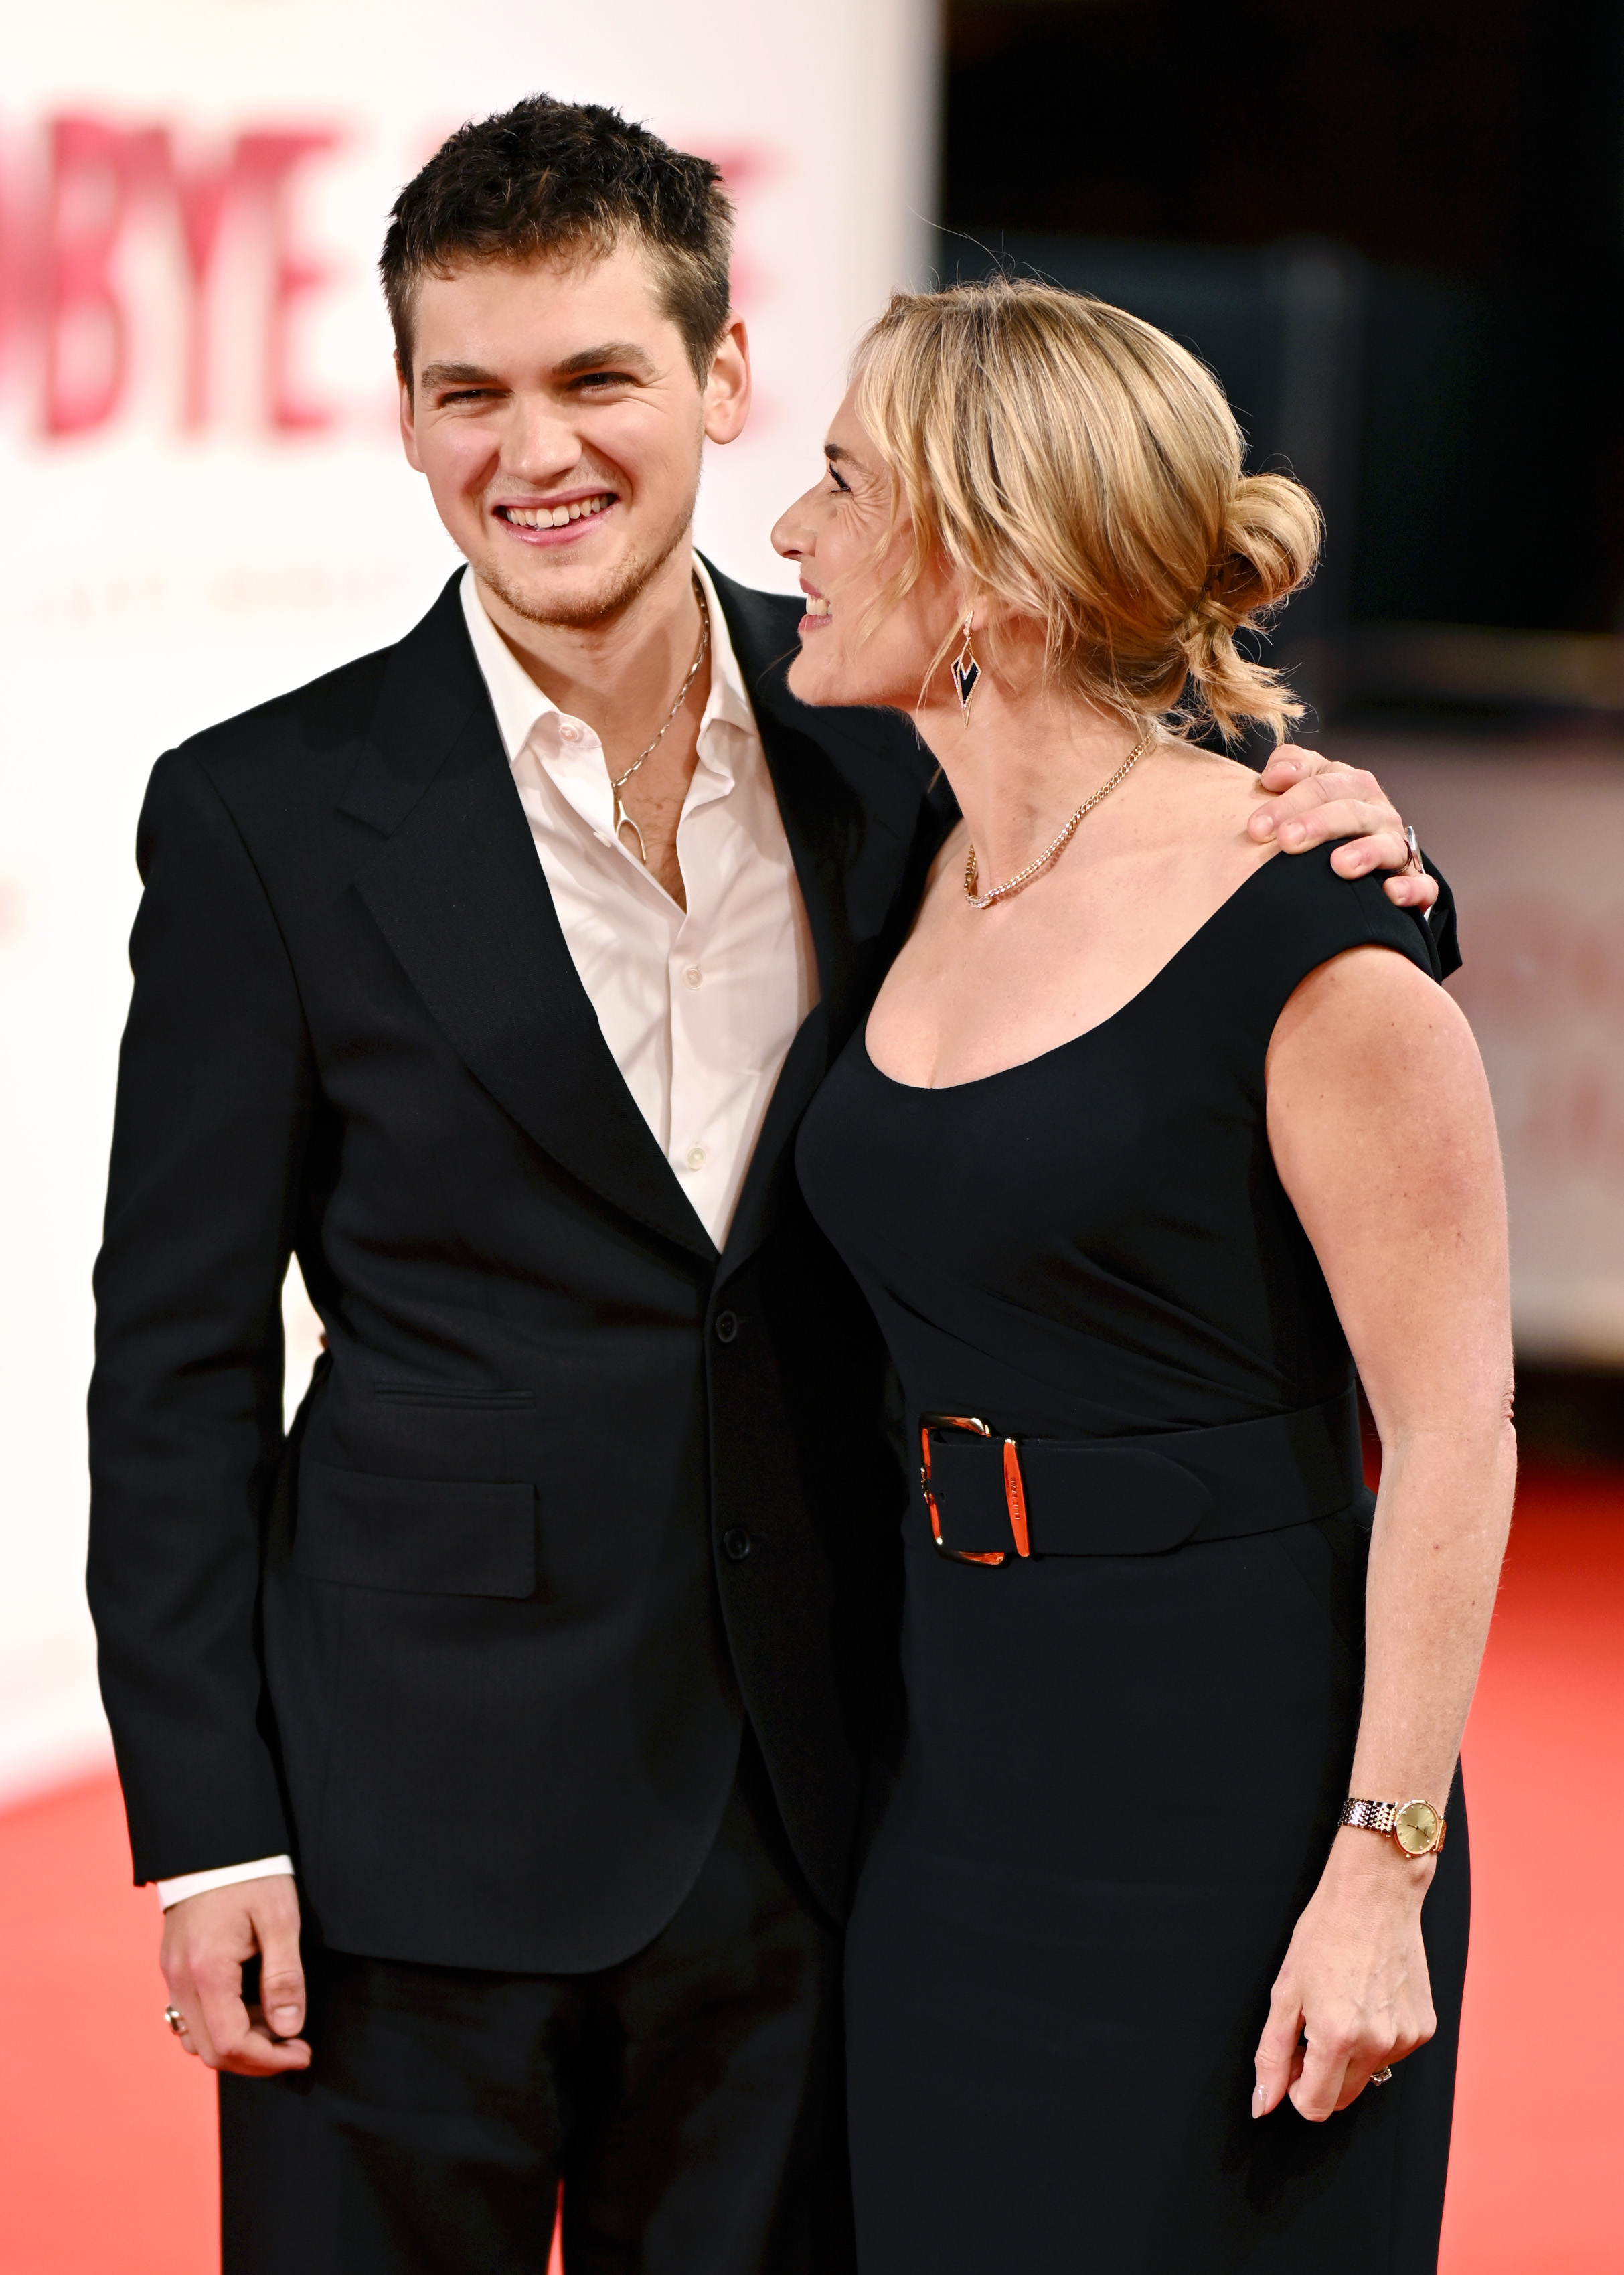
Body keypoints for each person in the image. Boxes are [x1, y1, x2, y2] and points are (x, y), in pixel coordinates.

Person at [88, 99, 1447, 2275]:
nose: (536, 450)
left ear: (720, 384)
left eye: (596, 378)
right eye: (472, 394)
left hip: (829, 1815)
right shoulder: (263, 813)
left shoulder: (886, 731)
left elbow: (1168, 895)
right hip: (400, 1836)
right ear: (412, 422)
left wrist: (1373, 857)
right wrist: (206, 1828)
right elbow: (168, 1359)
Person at [786, 278, 1514, 2273]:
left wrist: (1377, 1874)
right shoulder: (898, 847)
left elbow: (1453, 1436)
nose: (791, 534)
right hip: (952, 1791)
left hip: (1233, 1810)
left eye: (842, 486)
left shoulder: (1317, 938)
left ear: (991, 567)